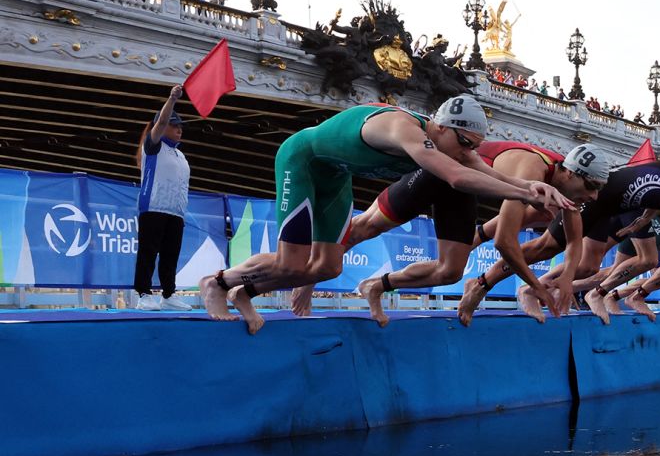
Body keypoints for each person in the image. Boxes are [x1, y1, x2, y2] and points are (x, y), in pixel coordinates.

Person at [201, 97, 573, 333]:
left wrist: (532, 190)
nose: (467, 152)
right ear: (441, 127)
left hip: (335, 177)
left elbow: (487, 173)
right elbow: (458, 178)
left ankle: (243, 292)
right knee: (291, 263)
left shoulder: (454, 144)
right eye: (463, 144)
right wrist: (524, 191)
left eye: (473, 147)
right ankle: (217, 283)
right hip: (302, 162)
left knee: (326, 268)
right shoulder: (403, 128)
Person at [133, 85, 192, 311]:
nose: (179, 130)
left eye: (180, 127)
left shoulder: (180, 155)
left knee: (170, 255)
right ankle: (144, 294)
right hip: (154, 207)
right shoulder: (153, 146)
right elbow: (161, 120)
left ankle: (168, 294)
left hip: (175, 212)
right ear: (163, 126)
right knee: (148, 252)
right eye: (174, 125)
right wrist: (172, 98)